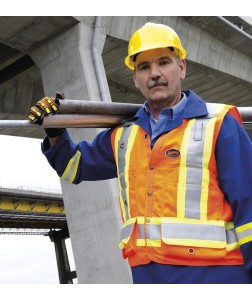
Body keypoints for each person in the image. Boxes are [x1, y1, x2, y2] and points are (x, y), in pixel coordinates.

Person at [29, 22, 252, 284]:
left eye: (164, 62)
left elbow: (248, 206)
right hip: (148, 278)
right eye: (144, 67)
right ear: (135, 78)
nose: (154, 74)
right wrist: (54, 130)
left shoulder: (218, 125)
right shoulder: (125, 135)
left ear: (181, 67)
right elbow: (74, 166)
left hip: (216, 279)